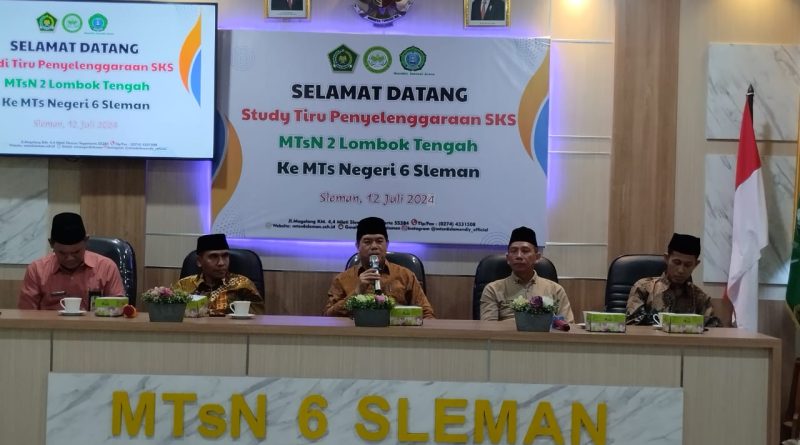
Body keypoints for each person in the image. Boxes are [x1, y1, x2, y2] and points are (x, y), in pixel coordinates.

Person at [324, 217, 435, 318]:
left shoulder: (406, 276)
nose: (374, 246)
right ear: (357, 246)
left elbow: (426, 313)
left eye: (379, 241)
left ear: (387, 244)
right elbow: (328, 316)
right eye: (367, 242)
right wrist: (356, 292)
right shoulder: (342, 279)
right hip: (357, 332)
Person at [18, 212, 125, 310]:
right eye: (62, 253)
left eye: (76, 252)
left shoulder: (106, 268)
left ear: (86, 241)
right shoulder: (37, 270)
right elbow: (26, 313)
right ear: (51, 244)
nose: (70, 258)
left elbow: (118, 310)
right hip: (50, 325)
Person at [480, 226, 574, 322]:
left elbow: (567, 325)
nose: (519, 256)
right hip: (505, 332)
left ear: (537, 257)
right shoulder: (493, 290)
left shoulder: (555, 290)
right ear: (508, 258)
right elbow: (488, 327)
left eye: (525, 251)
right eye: (513, 251)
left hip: (544, 332)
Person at [626, 233, 722, 327]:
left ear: (696, 264)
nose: (681, 270)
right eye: (676, 262)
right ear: (666, 258)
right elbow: (632, 328)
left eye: (688, 265)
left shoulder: (700, 298)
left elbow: (713, 332)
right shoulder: (644, 289)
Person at [172, 234, 264, 316]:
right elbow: (172, 316)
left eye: (225, 256)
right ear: (199, 261)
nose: (221, 263)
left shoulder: (243, 285)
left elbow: (258, 319)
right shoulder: (183, 286)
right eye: (213, 256)